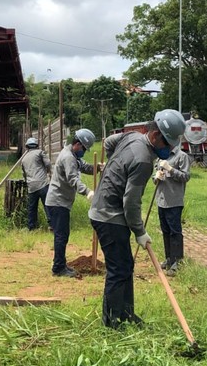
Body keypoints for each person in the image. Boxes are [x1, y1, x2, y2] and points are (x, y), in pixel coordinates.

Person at [88, 109, 186, 328]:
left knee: (125, 266)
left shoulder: (131, 135)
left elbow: (109, 142)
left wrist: (114, 167)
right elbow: (131, 203)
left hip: (109, 212)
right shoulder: (142, 161)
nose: (170, 149)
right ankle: (112, 322)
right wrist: (140, 232)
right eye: (167, 144)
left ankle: (126, 313)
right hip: (109, 216)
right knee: (119, 269)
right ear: (154, 136)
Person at [45, 128, 96, 278]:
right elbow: (73, 179)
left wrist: (98, 168)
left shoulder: (73, 155)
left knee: (62, 235)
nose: (84, 152)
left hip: (60, 202)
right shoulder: (68, 157)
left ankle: (60, 264)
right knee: (61, 236)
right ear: (78, 144)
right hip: (57, 202)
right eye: (84, 149)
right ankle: (58, 268)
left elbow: (84, 166)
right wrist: (87, 191)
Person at [153, 141, 191, 275]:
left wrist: (170, 169)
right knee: (165, 231)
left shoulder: (182, 156)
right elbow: (155, 176)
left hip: (174, 201)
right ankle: (169, 258)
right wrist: (156, 177)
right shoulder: (160, 156)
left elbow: (186, 176)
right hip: (161, 200)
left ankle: (177, 262)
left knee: (175, 232)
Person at [19, 136, 51, 230]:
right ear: (36, 145)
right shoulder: (40, 152)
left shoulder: (24, 159)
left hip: (31, 187)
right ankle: (52, 225)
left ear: (27, 147)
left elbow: (24, 174)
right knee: (47, 205)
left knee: (32, 208)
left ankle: (31, 227)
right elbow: (48, 164)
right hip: (43, 184)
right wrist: (48, 172)